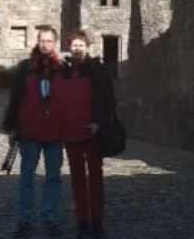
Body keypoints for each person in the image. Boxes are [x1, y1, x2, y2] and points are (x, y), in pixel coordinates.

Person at [54, 30, 116, 239]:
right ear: (69, 47)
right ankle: (82, 220)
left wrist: (99, 122)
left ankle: (97, 221)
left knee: (95, 179)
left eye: (81, 44)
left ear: (87, 47)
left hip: (92, 133)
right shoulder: (63, 71)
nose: (77, 48)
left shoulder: (97, 69)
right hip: (71, 133)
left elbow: (108, 100)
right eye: (74, 44)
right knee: (77, 179)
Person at [3, 26, 64, 238]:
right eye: (42, 40)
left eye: (49, 41)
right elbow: (15, 99)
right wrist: (12, 127)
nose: (45, 44)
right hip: (29, 131)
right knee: (27, 177)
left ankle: (50, 217)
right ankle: (25, 218)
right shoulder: (25, 68)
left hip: (55, 132)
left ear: (54, 43)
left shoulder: (62, 69)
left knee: (53, 177)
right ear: (37, 42)